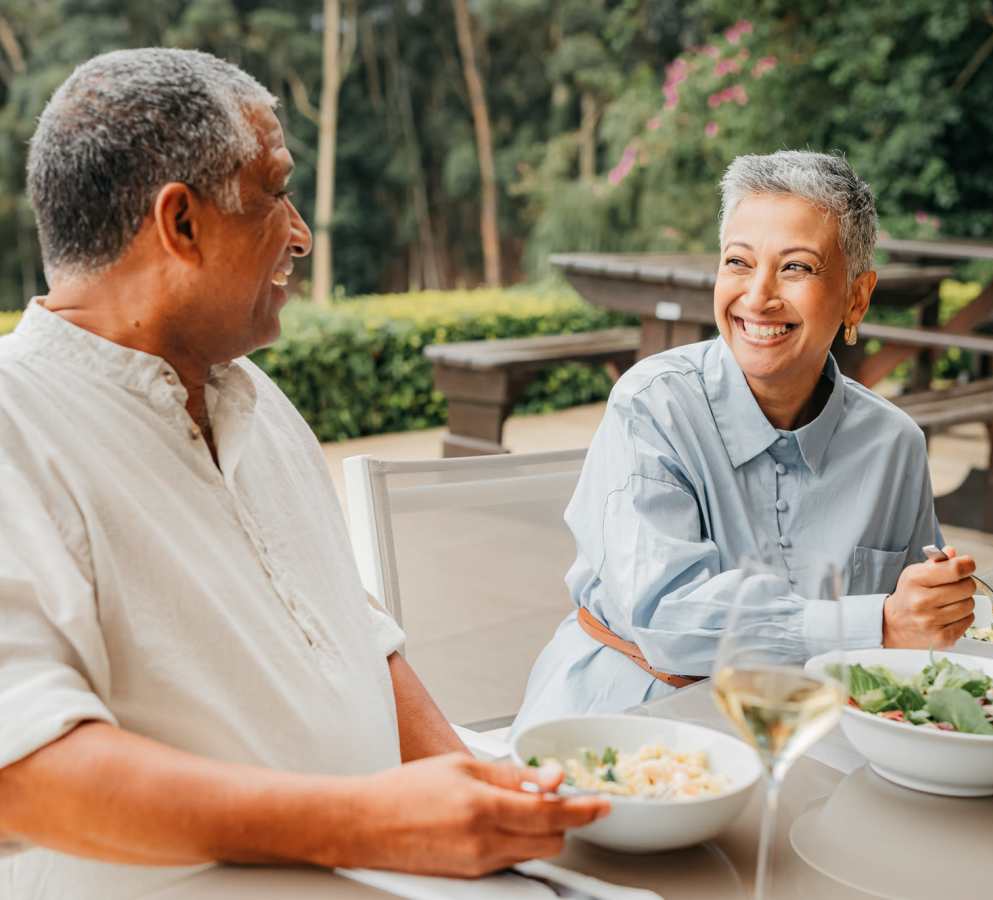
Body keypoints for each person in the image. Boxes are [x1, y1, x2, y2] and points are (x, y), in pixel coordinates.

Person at [0, 48, 607, 899]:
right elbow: (20, 778)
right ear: (181, 225)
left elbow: (351, 630)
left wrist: (483, 797)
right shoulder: (12, 424)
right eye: (274, 191)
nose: (300, 232)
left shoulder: (255, 397)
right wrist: (371, 823)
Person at [514, 150, 977, 730]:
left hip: (811, 732)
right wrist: (876, 623)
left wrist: (936, 604)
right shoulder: (653, 405)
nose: (758, 296)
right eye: (738, 261)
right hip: (630, 716)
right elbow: (666, 618)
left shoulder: (894, 444)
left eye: (797, 268)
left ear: (857, 298)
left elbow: (915, 632)